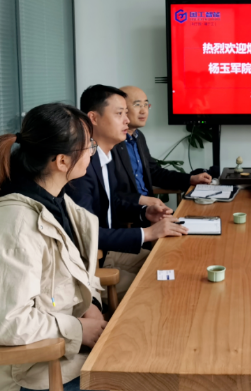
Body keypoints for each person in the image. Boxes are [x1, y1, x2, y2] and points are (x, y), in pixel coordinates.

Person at [0, 103, 106, 391]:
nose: (92, 153)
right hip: (20, 374)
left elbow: (70, 276)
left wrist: (92, 305)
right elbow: (8, 324)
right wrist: (79, 329)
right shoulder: (13, 226)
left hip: (53, 354)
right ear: (61, 161)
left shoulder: (56, 202)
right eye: (89, 147)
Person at [67, 85, 188, 297]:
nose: (126, 120)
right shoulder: (81, 167)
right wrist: (148, 233)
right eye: (120, 113)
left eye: (126, 113)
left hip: (109, 252)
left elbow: (111, 203)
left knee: (174, 265)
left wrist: (144, 212)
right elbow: (86, 234)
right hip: (87, 266)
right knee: (159, 289)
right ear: (93, 118)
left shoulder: (105, 156)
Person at [118, 85, 212, 199]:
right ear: (121, 109)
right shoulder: (111, 142)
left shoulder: (138, 136)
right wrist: (142, 202)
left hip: (147, 205)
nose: (143, 111)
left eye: (146, 105)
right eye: (137, 105)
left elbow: (154, 173)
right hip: (132, 206)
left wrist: (190, 179)